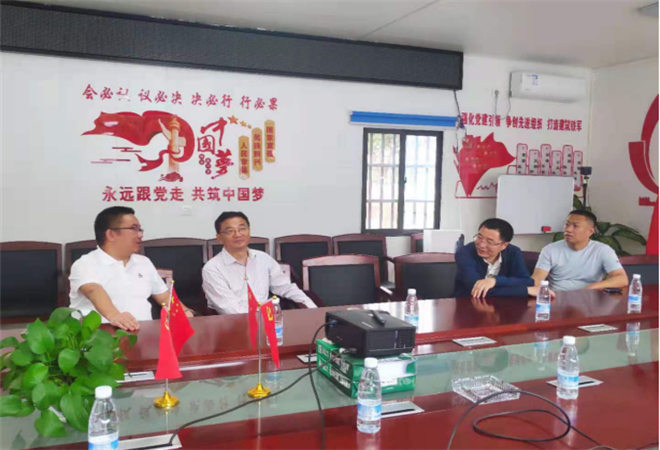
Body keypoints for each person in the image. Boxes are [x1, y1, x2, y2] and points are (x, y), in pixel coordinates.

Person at [69, 206, 193, 331]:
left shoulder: (144, 262)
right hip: (99, 337)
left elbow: (164, 297)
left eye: (140, 230)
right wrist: (115, 316)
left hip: (144, 333)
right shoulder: (85, 263)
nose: (140, 235)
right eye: (134, 229)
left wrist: (185, 312)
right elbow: (93, 290)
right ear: (111, 234)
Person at [202, 211, 317, 314]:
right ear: (219, 238)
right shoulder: (212, 268)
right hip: (233, 323)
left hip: (267, 318)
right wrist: (261, 319)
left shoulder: (263, 258)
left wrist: (312, 308)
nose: (237, 234)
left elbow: (285, 287)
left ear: (249, 231)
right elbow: (229, 308)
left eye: (242, 229)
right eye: (230, 231)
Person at [532, 210, 628, 291]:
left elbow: (622, 279)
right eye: (567, 224)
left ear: (590, 231)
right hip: (558, 298)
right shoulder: (550, 249)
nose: (568, 229)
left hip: (589, 298)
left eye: (575, 226)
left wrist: (593, 287)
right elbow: (537, 279)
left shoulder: (603, 250)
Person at [455, 218, 543, 298]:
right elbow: (478, 290)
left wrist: (495, 281)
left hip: (504, 305)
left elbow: (527, 281)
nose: (481, 245)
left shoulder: (513, 252)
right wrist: (526, 291)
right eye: (479, 237)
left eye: (490, 242)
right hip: (468, 303)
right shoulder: (465, 253)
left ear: (504, 245)